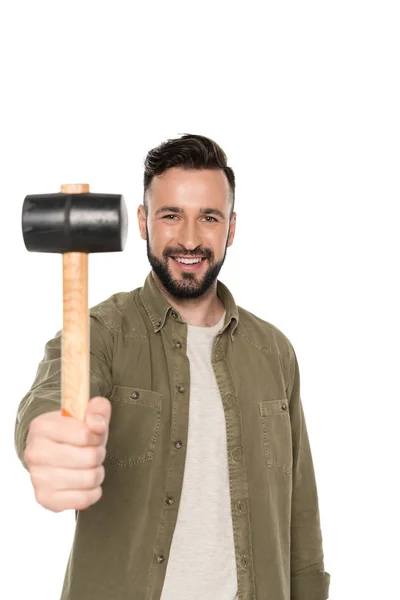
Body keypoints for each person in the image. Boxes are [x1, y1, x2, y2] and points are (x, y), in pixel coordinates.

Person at [14, 133, 331, 600]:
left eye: (208, 217)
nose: (188, 238)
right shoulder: (100, 333)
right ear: (143, 221)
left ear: (232, 228)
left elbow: (300, 516)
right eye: (170, 215)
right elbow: (54, 391)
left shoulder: (274, 352)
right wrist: (45, 436)